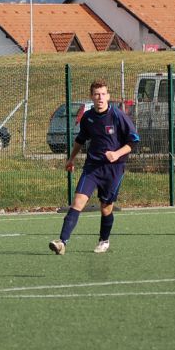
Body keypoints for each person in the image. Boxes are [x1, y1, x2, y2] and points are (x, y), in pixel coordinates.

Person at [50, 80, 139, 255]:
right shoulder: (88, 117)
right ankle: (62, 242)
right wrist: (71, 159)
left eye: (103, 94)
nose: (100, 97)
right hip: (92, 167)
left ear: (108, 96)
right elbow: (80, 140)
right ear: (92, 96)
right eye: (97, 94)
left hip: (114, 168)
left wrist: (116, 154)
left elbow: (134, 141)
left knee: (106, 207)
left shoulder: (117, 115)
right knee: (77, 203)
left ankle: (104, 240)